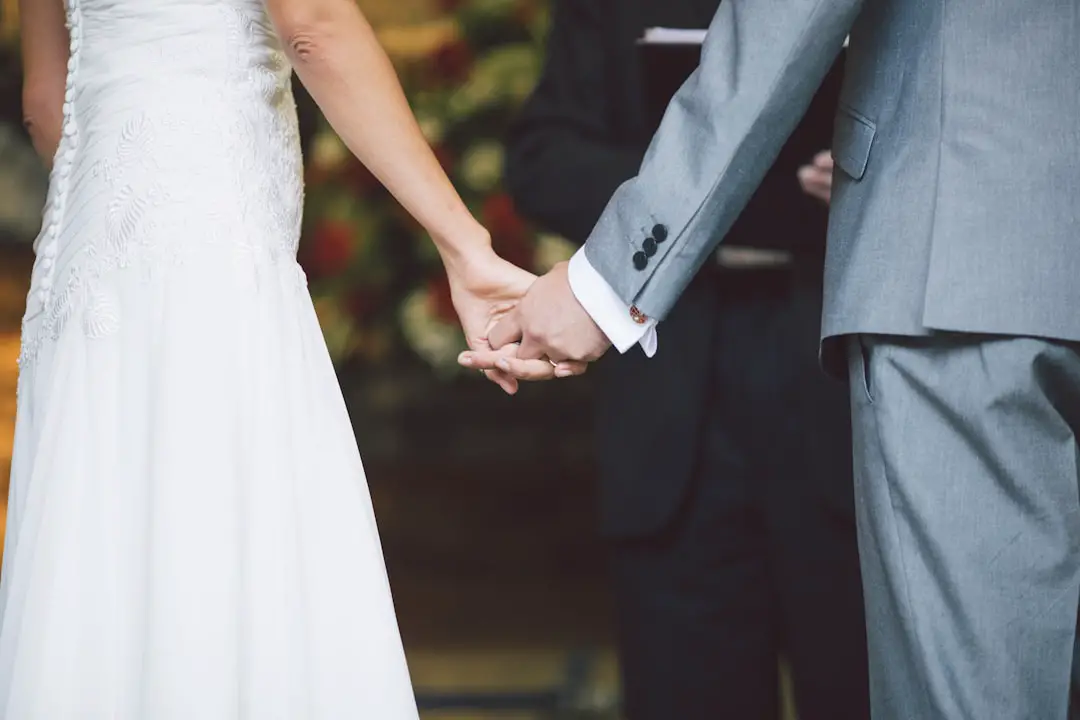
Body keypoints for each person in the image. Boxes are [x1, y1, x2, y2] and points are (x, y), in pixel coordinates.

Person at [463, 0, 1080, 717]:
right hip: (1007, 260)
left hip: (957, 274)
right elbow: (543, 153)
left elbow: (782, 27)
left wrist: (606, 287)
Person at [6, 0, 559, 715]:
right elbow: (315, 24)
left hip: (86, 262)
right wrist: (462, 243)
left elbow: (45, 103)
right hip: (208, 253)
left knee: (105, 551)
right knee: (224, 541)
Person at [502, 1, 867, 717]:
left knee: (857, 674)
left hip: (829, 368)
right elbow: (541, 159)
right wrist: (732, 190)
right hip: (668, 381)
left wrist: (863, 178)